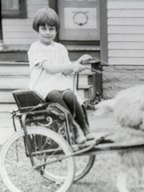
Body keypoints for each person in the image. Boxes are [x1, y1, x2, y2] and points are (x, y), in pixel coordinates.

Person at [28, 7, 95, 144]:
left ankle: (85, 128)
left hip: (60, 83)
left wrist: (77, 63)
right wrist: (71, 66)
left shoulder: (60, 48)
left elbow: (65, 71)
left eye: (51, 29)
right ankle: (74, 129)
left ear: (56, 30)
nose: (48, 33)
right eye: (44, 29)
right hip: (44, 86)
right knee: (54, 95)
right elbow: (50, 68)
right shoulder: (35, 47)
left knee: (70, 95)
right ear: (37, 29)